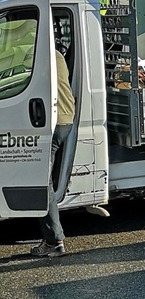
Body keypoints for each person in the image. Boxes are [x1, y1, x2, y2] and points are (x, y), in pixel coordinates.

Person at [30, 50, 75, 257]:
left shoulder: (39, 53)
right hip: (62, 120)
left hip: (54, 122)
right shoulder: (52, 52)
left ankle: (54, 241)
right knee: (42, 178)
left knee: (42, 180)